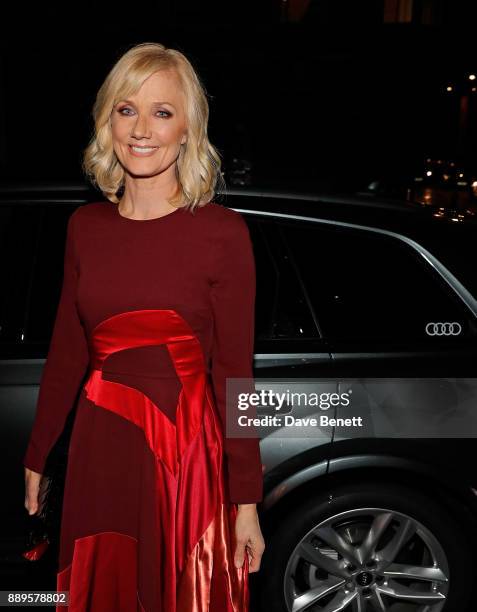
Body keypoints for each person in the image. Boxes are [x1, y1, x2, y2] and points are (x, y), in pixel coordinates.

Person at [23, 41, 265, 611]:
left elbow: (236, 377)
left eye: (162, 112)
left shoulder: (221, 233)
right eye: (126, 109)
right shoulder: (85, 226)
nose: (141, 129)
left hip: (185, 457)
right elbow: (66, 352)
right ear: (108, 121)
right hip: (98, 451)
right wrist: (38, 453)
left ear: (187, 130)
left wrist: (247, 500)